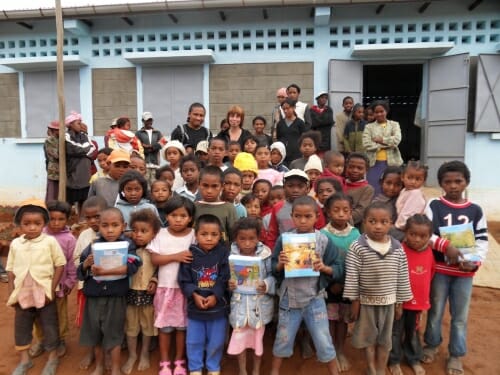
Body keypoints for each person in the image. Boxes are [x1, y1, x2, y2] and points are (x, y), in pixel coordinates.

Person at [422, 161, 488, 375]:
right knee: (435, 311)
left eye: (458, 181)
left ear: (466, 182)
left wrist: (474, 262)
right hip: (440, 270)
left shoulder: (475, 210)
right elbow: (425, 233)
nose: (453, 186)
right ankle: (431, 345)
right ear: (441, 184)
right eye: (447, 182)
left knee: (460, 317)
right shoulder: (433, 205)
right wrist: (445, 246)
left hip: (464, 274)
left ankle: (456, 354)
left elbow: (482, 240)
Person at [270, 196, 342, 375]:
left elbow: (339, 267)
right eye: (298, 216)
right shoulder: (285, 239)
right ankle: (274, 372)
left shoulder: (323, 240)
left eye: (308, 216)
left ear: (317, 216)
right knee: (283, 339)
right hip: (289, 300)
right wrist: (280, 263)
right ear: (292, 216)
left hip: (314, 299)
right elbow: (272, 267)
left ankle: (334, 371)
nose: (302, 221)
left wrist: (323, 268)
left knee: (323, 339)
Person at [343, 201, 413, 375]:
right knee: (368, 339)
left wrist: (400, 303)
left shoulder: (397, 248)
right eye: (372, 221)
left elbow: (402, 277)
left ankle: (381, 369)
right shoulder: (358, 247)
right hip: (366, 303)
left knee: (385, 340)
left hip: (389, 303)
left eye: (384, 222)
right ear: (364, 222)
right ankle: (371, 368)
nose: (378, 226)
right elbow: (352, 276)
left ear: (391, 223)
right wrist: (355, 301)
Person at [77, 208, 142, 375]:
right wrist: (86, 264)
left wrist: (106, 272)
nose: (110, 230)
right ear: (98, 226)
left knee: (114, 333)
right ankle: (99, 366)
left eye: (115, 225)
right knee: (95, 333)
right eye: (105, 225)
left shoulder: (127, 245)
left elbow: (133, 266)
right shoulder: (93, 246)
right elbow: (80, 273)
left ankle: (114, 368)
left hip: (116, 297)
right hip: (93, 298)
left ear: (123, 226)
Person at [6, 199, 66, 375]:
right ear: (19, 224)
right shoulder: (16, 244)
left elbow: (60, 265)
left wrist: (52, 290)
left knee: (49, 325)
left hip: (44, 293)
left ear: (43, 224)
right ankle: (25, 361)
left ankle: (52, 358)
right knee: (22, 326)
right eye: (27, 223)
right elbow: (10, 270)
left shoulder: (50, 242)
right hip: (22, 293)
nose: (32, 227)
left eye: (37, 223)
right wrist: (11, 292)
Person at [178, 214, 230, 375]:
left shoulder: (223, 253)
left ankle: (213, 366)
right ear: (196, 235)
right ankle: (195, 368)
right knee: (194, 340)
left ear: (220, 235)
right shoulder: (189, 254)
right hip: (195, 307)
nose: (209, 238)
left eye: (214, 235)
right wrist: (194, 294)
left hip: (218, 307)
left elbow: (225, 277)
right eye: (204, 234)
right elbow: (184, 279)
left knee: (216, 341)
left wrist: (215, 295)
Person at [149, 196, 196, 375]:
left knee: (182, 328)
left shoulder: (194, 235)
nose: (178, 219)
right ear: (166, 216)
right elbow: (154, 259)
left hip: (185, 291)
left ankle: (179, 361)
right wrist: (176, 256)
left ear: (190, 218)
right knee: (165, 327)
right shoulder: (161, 234)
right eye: (173, 215)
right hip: (165, 289)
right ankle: (164, 362)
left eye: (183, 216)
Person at [228, 218, 275, 375]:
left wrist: (266, 284)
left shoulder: (265, 254)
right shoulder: (230, 255)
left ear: (258, 238)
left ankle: (255, 370)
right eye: (242, 239)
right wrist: (229, 285)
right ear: (236, 238)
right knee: (239, 342)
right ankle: (242, 370)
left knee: (257, 343)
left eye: (251, 239)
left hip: (258, 308)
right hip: (239, 307)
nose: (247, 243)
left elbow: (274, 276)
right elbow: (225, 278)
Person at [389, 214, 435, 375]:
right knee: (395, 331)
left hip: (418, 304)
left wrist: (423, 300)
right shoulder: (398, 250)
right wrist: (396, 301)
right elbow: (392, 275)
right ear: (405, 232)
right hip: (398, 302)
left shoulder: (430, 253)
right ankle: (394, 360)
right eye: (412, 234)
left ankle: (413, 359)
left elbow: (430, 275)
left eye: (422, 236)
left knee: (413, 331)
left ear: (429, 237)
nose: (416, 239)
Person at [30, 201, 77, 358]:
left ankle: (60, 340)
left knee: (59, 314)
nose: (56, 223)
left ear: (67, 220)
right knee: (37, 314)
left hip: (60, 286)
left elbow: (71, 262)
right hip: (37, 284)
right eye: (52, 218)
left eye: (61, 219)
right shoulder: (38, 234)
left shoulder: (69, 239)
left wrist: (70, 282)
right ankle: (42, 340)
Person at [321, 193, 361, 372]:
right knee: (331, 319)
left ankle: (340, 350)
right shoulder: (322, 234)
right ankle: (331, 352)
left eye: (345, 210)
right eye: (336, 210)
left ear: (351, 212)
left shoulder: (356, 233)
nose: (341, 214)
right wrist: (331, 283)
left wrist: (347, 285)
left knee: (343, 320)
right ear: (328, 212)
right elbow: (320, 262)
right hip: (329, 286)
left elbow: (358, 262)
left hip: (349, 286)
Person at [122, 210, 162, 374]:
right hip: (130, 294)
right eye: (135, 230)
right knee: (131, 326)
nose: (138, 235)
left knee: (147, 326)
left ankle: (144, 352)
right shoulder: (128, 250)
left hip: (148, 295)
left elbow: (161, 269)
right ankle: (132, 355)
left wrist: (154, 280)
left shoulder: (156, 252)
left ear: (154, 234)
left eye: (144, 231)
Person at [72, 196, 108, 370]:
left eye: (97, 216)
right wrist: (86, 264)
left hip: (108, 288)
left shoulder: (112, 233)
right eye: (89, 217)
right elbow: (75, 260)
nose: (93, 221)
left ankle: (106, 354)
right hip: (87, 288)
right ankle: (90, 352)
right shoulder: (84, 236)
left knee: (107, 323)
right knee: (90, 323)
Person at [265, 170, 326, 256]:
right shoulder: (278, 208)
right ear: (284, 187)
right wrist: (273, 255)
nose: (295, 190)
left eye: (300, 186)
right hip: (285, 255)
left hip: (311, 254)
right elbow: (272, 234)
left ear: (307, 188)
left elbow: (321, 232)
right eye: (290, 186)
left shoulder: (314, 207)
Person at [363, 100, 403, 195]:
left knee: (391, 188)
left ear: (386, 111)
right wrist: (387, 144)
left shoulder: (394, 125)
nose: (379, 114)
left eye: (382, 111)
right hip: (373, 163)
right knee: (374, 188)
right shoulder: (369, 127)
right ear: (373, 113)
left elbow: (396, 140)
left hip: (392, 163)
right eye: (377, 112)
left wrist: (381, 140)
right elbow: (366, 144)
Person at [194, 166, 237, 244]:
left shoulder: (229, 208)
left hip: (223, 252)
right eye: (205, 185)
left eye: (214, 186)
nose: (209, 191)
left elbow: (234, 236)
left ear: (222, 186)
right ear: (198, 184)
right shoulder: (194, 207)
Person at [65, 111, 96, 214]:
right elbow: (72, 148)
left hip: (85, 172)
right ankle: (66, 218)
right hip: (74, 171)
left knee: (84, 197)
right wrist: (84, 151)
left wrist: (83, 151)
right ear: (70, 124)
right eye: (78, 123)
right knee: (70, 199)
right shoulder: (66, 136)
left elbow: (93, 148)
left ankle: (82, 219)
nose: (81, 125)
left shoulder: (84, 136)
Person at [393, 161, 428, 240]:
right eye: (409, 178)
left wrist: (397, 226)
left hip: (409, 228)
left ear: (423, 181)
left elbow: (407, 214)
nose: (413, 182)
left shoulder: (415, 194)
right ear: (402, 177)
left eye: (418, 179)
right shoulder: (405, 191)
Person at [344, 152, 375, 228]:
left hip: (353, 227)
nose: (355, 170)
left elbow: (360, 212)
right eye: (351, 167)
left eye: (359, 168)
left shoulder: (367, 189)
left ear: (366, 170)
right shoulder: (340, 183)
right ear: (346, 167)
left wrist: (340, 219)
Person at [276, 98, 308, 166]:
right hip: (283, 155)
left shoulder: (300, 123)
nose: (285, 111)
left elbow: (304, 139)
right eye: (283, 109)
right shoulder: (280, 124)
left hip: (296, 154)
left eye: (288, 108)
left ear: (294, 107)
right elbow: (278, 138)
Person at [135, 111, 164, 184]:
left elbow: (162, 143)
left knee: (154, 183)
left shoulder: (157, 132)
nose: (149, 122)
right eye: (147, 120)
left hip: (155, 163)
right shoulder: (139, 133)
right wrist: (144, 147)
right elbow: (137, 145)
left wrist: (150, 147)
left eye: (150, 120)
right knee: (145, 184)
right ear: (143, 121)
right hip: (144, 164)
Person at [310, 92, 334, 157]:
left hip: (326, 140)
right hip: (315, 139)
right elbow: (312, 123)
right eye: (322, 97)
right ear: (317, 99)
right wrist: (323, 121)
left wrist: (317, 120)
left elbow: (329, 121)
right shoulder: (311, 110)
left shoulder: (329, 110)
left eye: (326, 98)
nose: (324, 99)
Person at [44, 120, 60, 203]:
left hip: (61, 170)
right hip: (53, 170)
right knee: (52, 192)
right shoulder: (50, 140)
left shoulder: (59, 139)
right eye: (58, 130)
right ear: (54, 130)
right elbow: (56, 155)